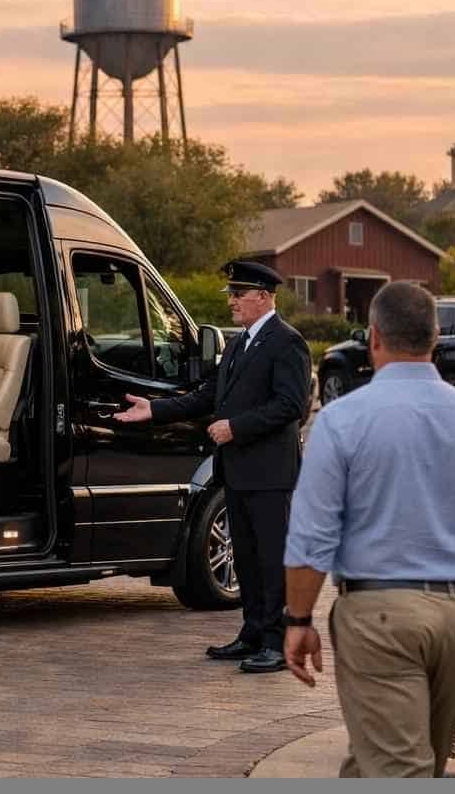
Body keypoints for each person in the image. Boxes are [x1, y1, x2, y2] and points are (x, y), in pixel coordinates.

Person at [282, 281, 455, 777]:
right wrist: (454, 571)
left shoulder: (341, 422)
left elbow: (311, 539)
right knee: (394, 763)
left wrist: (298, 619)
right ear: (435, 339)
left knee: (399, 770)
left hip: (379, 615)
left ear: (374, 337)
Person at [115, 259, 312, 673]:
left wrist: (235, 428)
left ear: (263, 296)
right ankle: (253, 633)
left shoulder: (286, 341)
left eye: (239, 295)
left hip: (270, 474)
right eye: (231, 295)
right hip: (236, 470)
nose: (232, 302)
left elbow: (293, 405)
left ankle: (276, 644)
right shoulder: (240, 343)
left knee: (271, 559)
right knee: (245, 556)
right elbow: (209, 396)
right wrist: (155, 409)